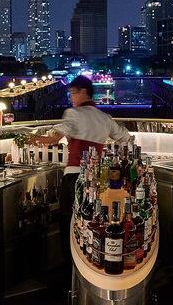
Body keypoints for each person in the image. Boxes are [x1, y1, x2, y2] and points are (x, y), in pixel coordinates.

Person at [29, 75, 130, 265]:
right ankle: (91, 262)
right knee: (93, 223)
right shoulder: (104, 117)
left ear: (84, 92)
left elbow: (55, 138)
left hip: (75, 176)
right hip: (98, 179)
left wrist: (34, 139)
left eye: (73, 93)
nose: (71, 98)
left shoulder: (73, 113)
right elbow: (125, 137)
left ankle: (70, 266)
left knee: (69, 221)